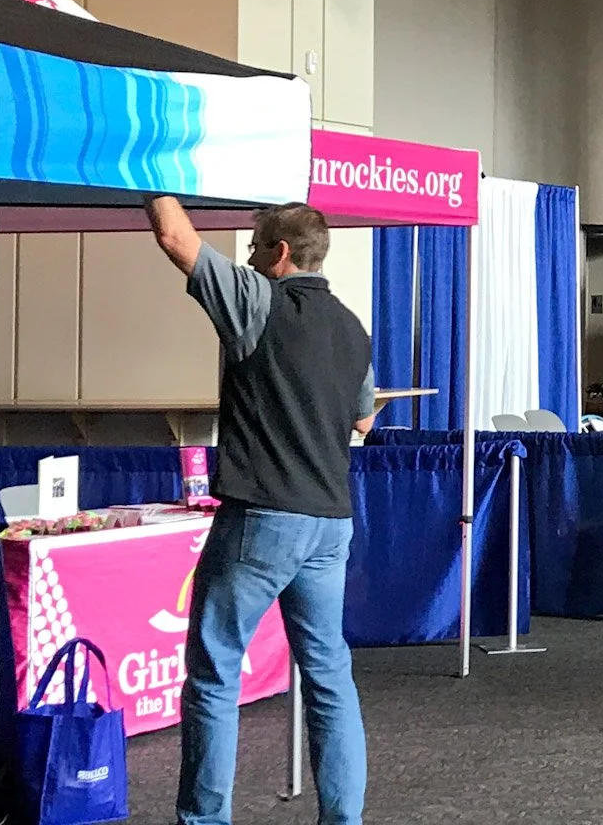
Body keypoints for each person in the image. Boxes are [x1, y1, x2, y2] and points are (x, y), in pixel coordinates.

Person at [145, 196, 377, 825]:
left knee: (215, 673)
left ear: (280, 252)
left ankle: (205, 820)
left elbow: (175, 238)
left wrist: (146, 164)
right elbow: (362, 420)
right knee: (329, 676)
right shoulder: (352, 327)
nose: (247, 260)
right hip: (330, 522)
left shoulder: (257, 300)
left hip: (263, 518)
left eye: (253, 250)